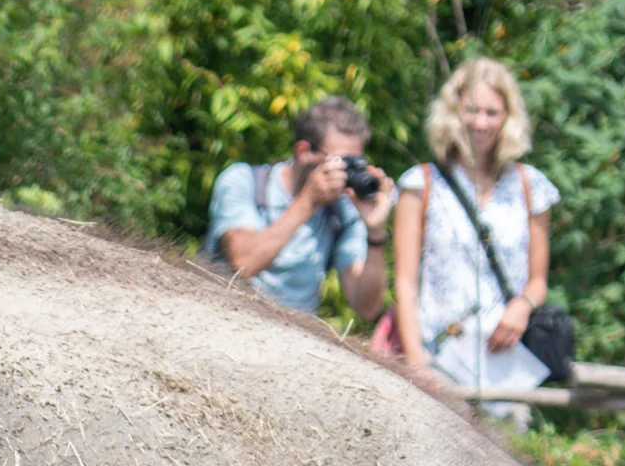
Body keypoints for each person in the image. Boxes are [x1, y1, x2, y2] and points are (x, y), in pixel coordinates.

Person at [389, 57, 557, 419]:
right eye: (472, 110)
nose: (481, 122)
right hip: (437, 357)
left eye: (492, 112)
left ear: (508, 117)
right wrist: (416, 361)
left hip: (504, 365)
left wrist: (522, 306)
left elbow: (538, 281)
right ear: (454, 112)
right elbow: (404, 283)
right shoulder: (420, 183)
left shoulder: (531, 186)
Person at [200, 95, 394, 324]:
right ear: (304, 151)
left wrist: (375, 233)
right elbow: (244, 263)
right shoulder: (244, 181)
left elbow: (367, 308)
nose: (348, 172)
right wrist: (308, 202)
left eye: (356, 163)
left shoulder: (342, 212)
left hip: (295, 335)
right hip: (224, 320)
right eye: (341, 161)